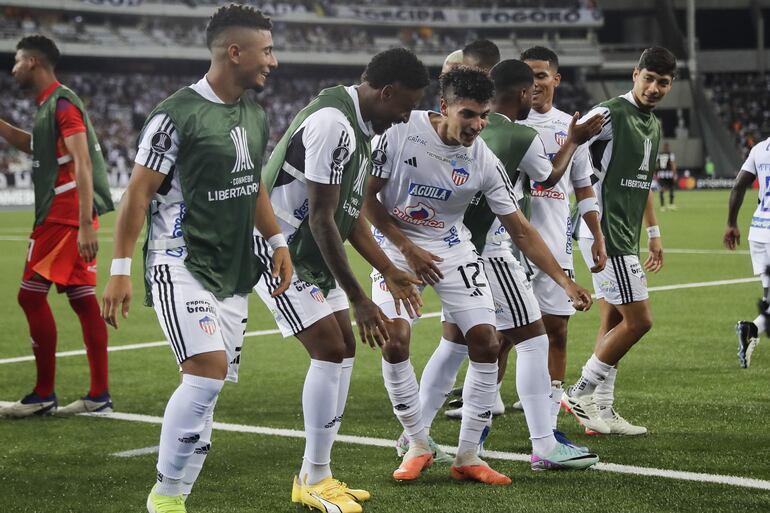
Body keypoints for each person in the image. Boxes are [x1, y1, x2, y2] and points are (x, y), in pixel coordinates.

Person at [100, 6, 290, 513]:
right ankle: (163, 494)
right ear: (235, 52)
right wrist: (119, 272)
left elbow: (253, 189)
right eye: (266, 50)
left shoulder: (255, 114)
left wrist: (278, 244)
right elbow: (137, 196)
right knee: (206, 371)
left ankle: (177, 497)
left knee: (209, 387)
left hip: (233, 273)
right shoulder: (175, 115)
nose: (272, 61)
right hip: (179, 260)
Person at [365, 66, 595, 485]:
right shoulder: (401, 133)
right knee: (396, 341)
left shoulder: (483, 158)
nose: (477, 125)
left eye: (483, 115)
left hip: (453, 249)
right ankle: (417, 442)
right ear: (443, 107)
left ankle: (468, 454)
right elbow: (366, 199)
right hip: (395, 247)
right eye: (468, 114)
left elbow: (520, 229)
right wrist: (407, 249)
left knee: (486, 343)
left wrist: (564, 280)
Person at [252, 47, 428, 513]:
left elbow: (348, 217)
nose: (405, 116)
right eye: (405, 106)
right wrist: (359, 298)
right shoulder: (334, 123)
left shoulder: (359, 124)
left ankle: (316, 475)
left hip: (309, 249)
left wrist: (389, 270)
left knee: (344, 348)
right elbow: (323, 220)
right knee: (330, 348)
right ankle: (314, 476)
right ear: (386, 92)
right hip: (278, 248)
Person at [562, 47, 675, 436]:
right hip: (605, 234)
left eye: (663, 82)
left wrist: (654, 233)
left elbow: (642, 183)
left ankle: (604, 410)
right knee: (639, 321)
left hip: (626, 232)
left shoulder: (653, 124)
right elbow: (567, 148)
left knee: (613, 320)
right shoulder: (609, 114)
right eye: (649, 78)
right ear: (635, 74)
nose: (655, 87)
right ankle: (579, 392)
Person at [0, 35, 114, 418]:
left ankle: (43, 393)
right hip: (65, 214)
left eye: (16, 61)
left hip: (63, 216)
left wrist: (85, 224)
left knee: (30, 297)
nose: (13, 68)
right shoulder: (50, 105)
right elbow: (38, 147)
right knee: (83, 301)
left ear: (32, 61)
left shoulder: (62, 103)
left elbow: (81, 161)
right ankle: (98, 394)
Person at [512, 46, 607, 436]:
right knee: (503, 336)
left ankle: (550, 417)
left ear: (556, 78)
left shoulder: (572, 125)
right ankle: (482, 411)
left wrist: (596, 234)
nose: (534, 83)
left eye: (540, 74)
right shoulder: (507, 121)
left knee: (557, 330)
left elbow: (582, 186)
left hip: (554, 242)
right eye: (527, 75)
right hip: (510, 244)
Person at [724, 136, 770, 368]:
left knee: (769, 296)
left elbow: (739, 184)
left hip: (760, 231)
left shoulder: (760, 149)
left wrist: (731, 223)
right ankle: (751, 328)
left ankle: (751, 330)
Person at [656, 142, 678, 210]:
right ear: (668, 147)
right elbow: (672, 164)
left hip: (661, 174)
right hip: (669, 174)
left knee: (662, 189)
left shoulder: (659, 155)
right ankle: (671, 204)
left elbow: (656, 164)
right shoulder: (670, 154)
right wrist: (674, 174)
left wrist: (656, 173)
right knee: (671, 188)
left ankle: (662, 206)